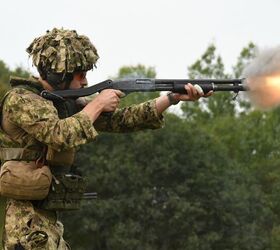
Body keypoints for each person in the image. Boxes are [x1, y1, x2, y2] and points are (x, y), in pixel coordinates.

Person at [0, 28, 211, 249]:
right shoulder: (22, 99)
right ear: (59, 75)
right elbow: (59, 135)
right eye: (81, 75)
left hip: (48, 219)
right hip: (25, 222)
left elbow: (120, 120)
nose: (85, 81)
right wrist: (98, 103)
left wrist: (171, 98)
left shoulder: (64, 103)